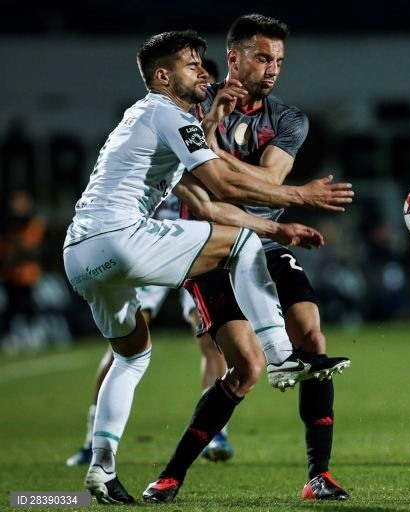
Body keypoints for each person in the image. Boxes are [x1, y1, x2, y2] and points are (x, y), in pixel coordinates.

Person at [62, 30, 354, 504]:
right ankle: (281, 356)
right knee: (241, 243)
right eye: (191, 64)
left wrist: (279, 228)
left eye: (202, 62)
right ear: (162, 76)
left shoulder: (147, 119)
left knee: (131, 356)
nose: (203, 70)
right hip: (122, 238)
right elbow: (223, 184)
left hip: (80, 254)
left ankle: (102, 468)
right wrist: (301, 195)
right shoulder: (167, 113)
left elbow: (204, 202)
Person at [142, 15, 350, 503]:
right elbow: (208, 181)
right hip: (209, 247)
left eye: (279, 60)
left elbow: (268, 184)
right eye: (262, 57)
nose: (273, 68)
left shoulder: (289, 120)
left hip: (266, 243)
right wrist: (211, 133)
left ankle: (318, 476)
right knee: (246, 369)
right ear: (233, 58)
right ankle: (170, 476)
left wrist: (213, 147)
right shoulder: (192, 103)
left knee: (313, 338)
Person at [65, 57, 234, 469]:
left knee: (207, 338)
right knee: (127, 345)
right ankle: (92, 439)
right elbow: (211, 182)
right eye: (197, 76)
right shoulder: (164, 122)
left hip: (184, 240)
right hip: (144, 239)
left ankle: (215, 431)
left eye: (208, 84)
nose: (203, 87)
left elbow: (210, 184)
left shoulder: (199, 130)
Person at [0, 190, 46, 340]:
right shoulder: (6, 223)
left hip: (27, 275)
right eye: (17, 203)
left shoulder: (33, 222)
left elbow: (32, 250)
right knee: (11, 308)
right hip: (10, 274)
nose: (19, 207)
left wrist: (15, 248)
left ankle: (33, 335)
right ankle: (8, 337)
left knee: (28, 306)